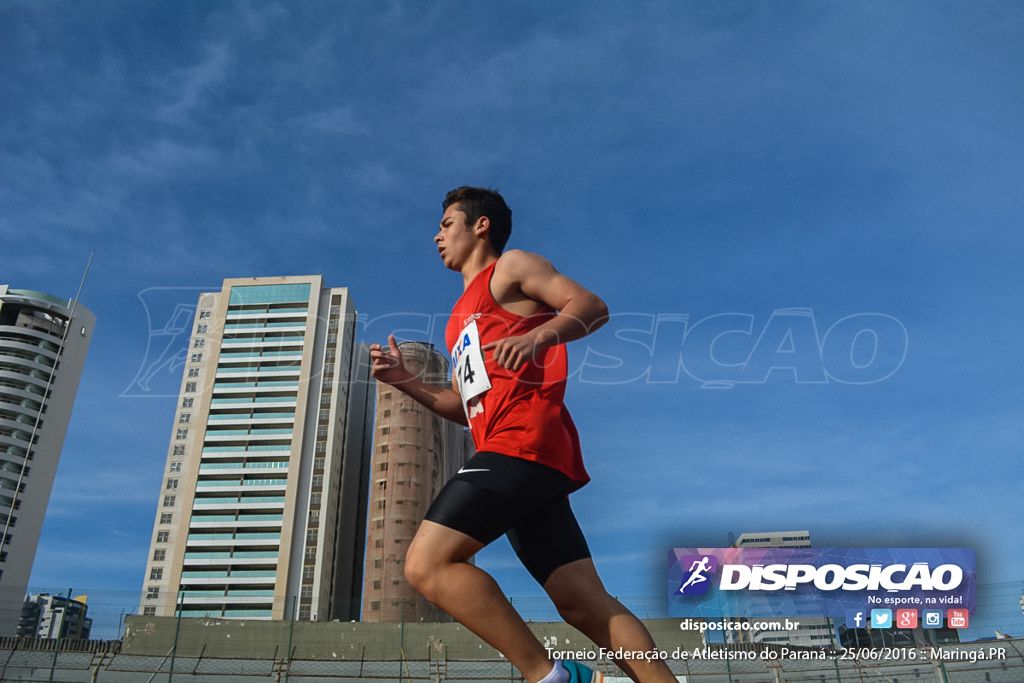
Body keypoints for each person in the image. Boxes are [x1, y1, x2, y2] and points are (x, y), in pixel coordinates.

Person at [369, 187, 676, 683]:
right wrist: (405, 381)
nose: (437, 234)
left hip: (524, 442)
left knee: (427, 564)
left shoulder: (511, 268)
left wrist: (541, 334)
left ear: (480, 225)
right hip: (514, 454)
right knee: (582, 604)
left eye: (447, 223)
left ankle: (551, 676)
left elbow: (591, 306)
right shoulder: (456, 321)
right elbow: (463, 407)